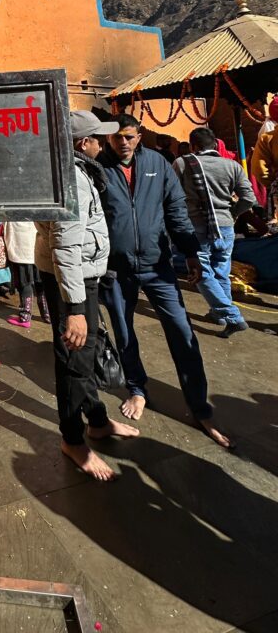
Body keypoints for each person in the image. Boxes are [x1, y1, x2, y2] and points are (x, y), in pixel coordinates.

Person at [98, 114, 232, 448]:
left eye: (129, 137)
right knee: (125, 333)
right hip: (116, 268)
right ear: (109, 139)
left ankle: (200, 407)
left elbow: (176, 211)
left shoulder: (158, 164)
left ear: (139, 136)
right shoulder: (97, 167)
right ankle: (138, 389)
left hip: (158, 266)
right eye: (117, 138)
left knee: (182, 332)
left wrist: (190, 254)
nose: (124, 143)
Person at [34, 110, 139, 481]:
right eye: (98, 138)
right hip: (71, 281)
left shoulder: (76, 171)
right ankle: (73, 439)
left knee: (86, 351)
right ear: (84, 144)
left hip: (76, 277)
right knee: (75, 359)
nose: (104, 143)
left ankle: (96, 420)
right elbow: (65, 248)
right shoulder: (72, 180)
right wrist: (75, 309)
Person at [174, 127, 256, 335]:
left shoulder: (183, 164)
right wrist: (234, 213)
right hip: (226, 225)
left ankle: (232, 316)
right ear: (216, 145)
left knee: (200, 272)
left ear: (193, 145)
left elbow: (172, 195)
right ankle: (218, 314)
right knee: (220, 270)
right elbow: (249, 198)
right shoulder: (232, 166)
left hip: (196, 226)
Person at [3, 220, 50, 327]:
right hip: (37, 240)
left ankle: (25, 316)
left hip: (21, 242)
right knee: (40, 281)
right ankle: (47, 314)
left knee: (24, 282)